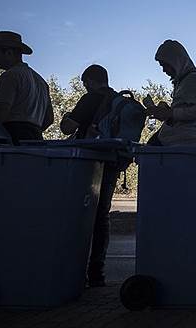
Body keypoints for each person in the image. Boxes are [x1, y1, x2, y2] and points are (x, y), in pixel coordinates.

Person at [59, 64, 121, 287]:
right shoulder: (117, 100)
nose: (85, 88)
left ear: (91, 82)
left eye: (86, 84)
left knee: (82, 213)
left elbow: (67, 128)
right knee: (102, 215)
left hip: (89, 163)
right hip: (111, 160)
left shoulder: (90, 99)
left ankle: (75, 270)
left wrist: (66, 116)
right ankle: (97, 272)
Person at [0, 31, 53, 143]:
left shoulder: (10, 76)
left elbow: (0, 114)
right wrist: (31, 135)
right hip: (36, 141)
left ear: (9, 53)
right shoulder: (41, 82)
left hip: (12, 140)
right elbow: (49, 119)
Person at [146, 40, 196, 146]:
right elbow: (183, 113)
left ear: (174, 61)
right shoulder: (182, 81)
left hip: (183, 144)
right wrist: (166, 112)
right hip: (174, 141)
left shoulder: (193, 79)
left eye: (165, 65)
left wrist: (171, 113)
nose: (163, 70)